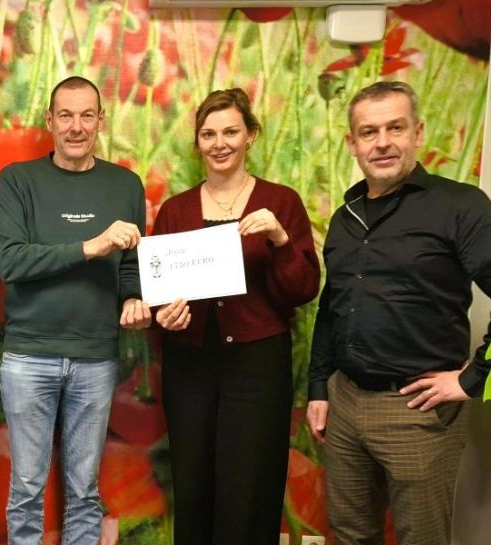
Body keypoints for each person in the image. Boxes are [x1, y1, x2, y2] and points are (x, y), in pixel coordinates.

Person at [308, 80, 491, 545]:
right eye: (369, 132)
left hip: (418, 411)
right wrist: (319, 387)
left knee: (422, 537)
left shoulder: (459, 206)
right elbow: (333, 308)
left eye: (396, 127)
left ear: (418, 132)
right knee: (350, 533)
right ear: (352, 143)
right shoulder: (345, 215)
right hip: (346, 402)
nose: (383, 142)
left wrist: (473, 378)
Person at [151, 87, 321, 545]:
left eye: (230, 131)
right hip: (190, 367)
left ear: (251, 136)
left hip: (257, 365)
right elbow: (158, 295)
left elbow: (303, 290)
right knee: (194, 482)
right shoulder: (176, 210)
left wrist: (283, 240)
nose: (219, 142)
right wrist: (162, 315)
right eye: (208, 133)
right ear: (198, 143)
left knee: (250, 485)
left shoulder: (279, 202)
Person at [0, 75, 149, 545]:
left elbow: (131, 265)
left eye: (86, 115)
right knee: (25, 487)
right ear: (50, 121)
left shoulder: (125, 185)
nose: (76, 126)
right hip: (28, 356)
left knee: (84, 491)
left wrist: (133, 298)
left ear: (101, 120)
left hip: (96, 357)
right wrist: (92, 245)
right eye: (66, 115)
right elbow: (12, 262)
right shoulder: (17, 181)